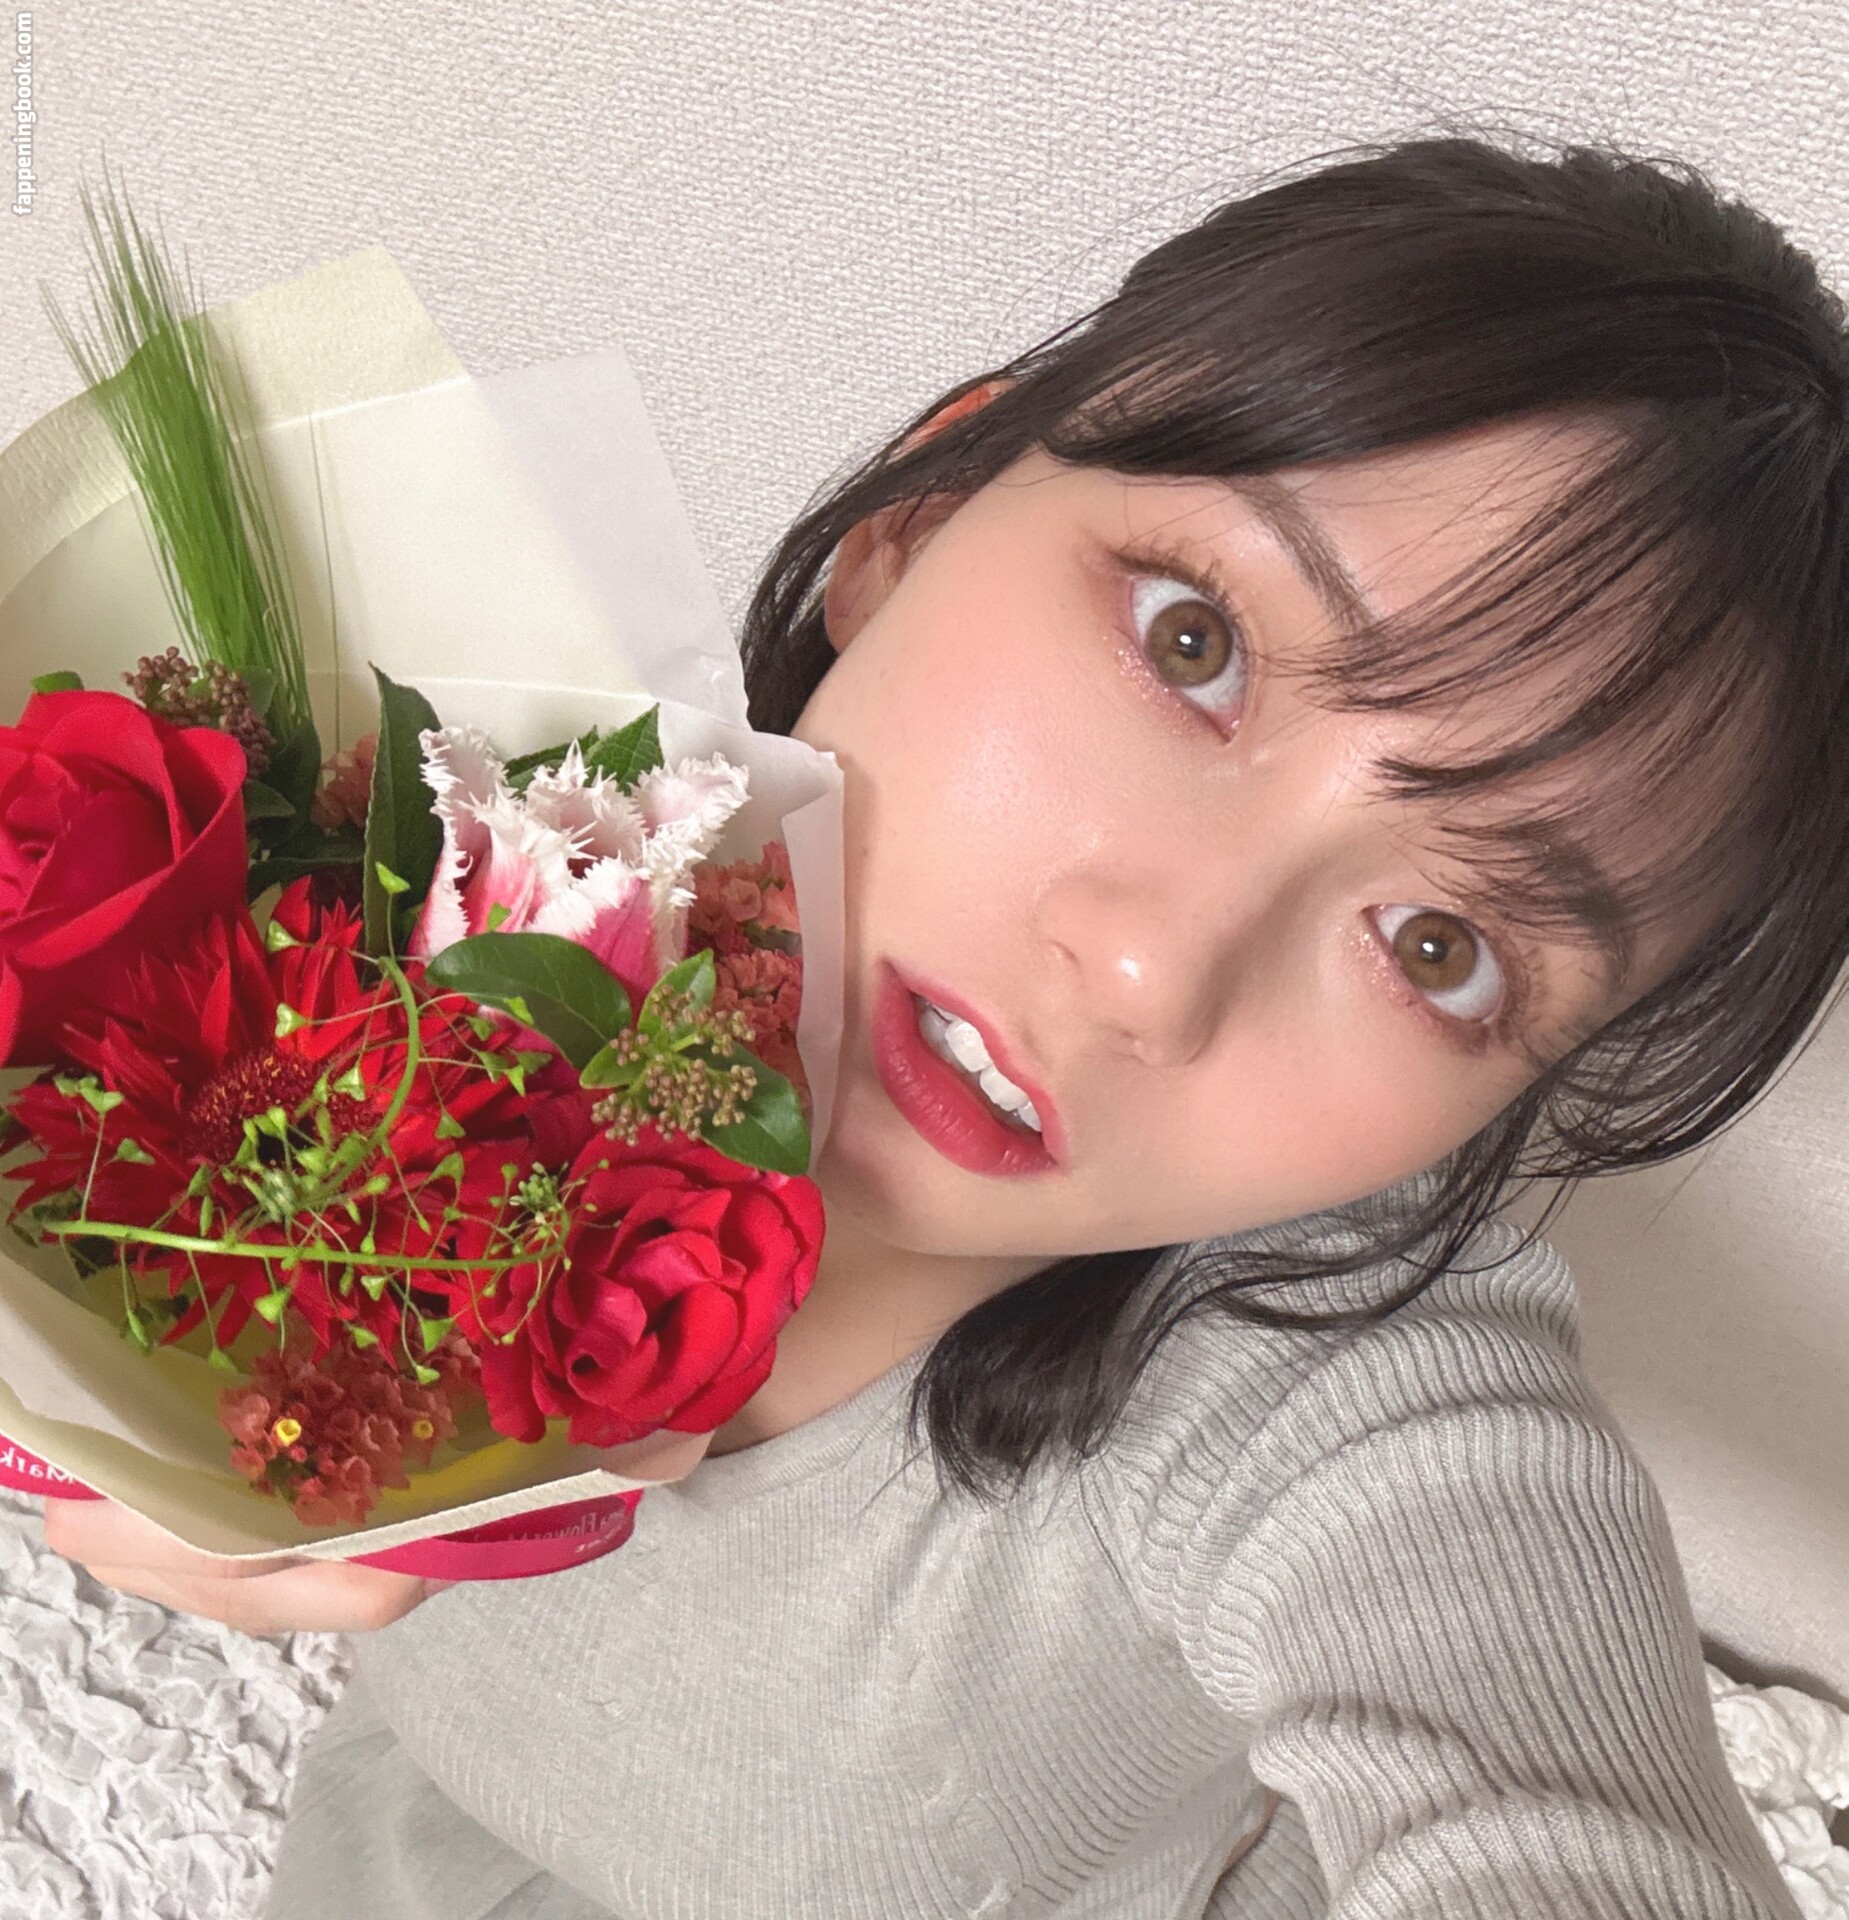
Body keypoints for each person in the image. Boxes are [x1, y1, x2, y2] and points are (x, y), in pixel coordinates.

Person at [41, 136, 1849, 1918]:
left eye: (1438, 948)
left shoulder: (1315, 1384)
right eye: (1196, 645)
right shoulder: (427, 879)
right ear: (912, 527)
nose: (1148, 970)